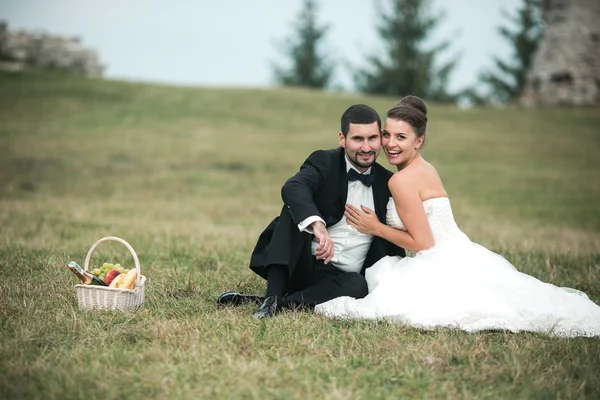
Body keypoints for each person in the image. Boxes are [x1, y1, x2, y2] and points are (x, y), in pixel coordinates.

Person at [314, 96, 600, 338]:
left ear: (419, 140)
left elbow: (424, 243)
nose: (390, 144)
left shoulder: (400, 181)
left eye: (401, 137)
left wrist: (375, 227)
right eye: (387, 134)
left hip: (438, 259)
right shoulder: (426, 168)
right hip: (461, 250)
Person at [217, 104, 404, 318]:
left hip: (342, 280)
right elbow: (293, 187)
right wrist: (317, 225)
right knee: (292, 211)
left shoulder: (388, 183)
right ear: (342, 139)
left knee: (358, 286)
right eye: (357, 139)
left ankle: (282, 303)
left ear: (380, 138)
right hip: (302, 265)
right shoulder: (325, 162)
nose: (366, 147)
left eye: (372, 138)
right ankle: (271, 298)